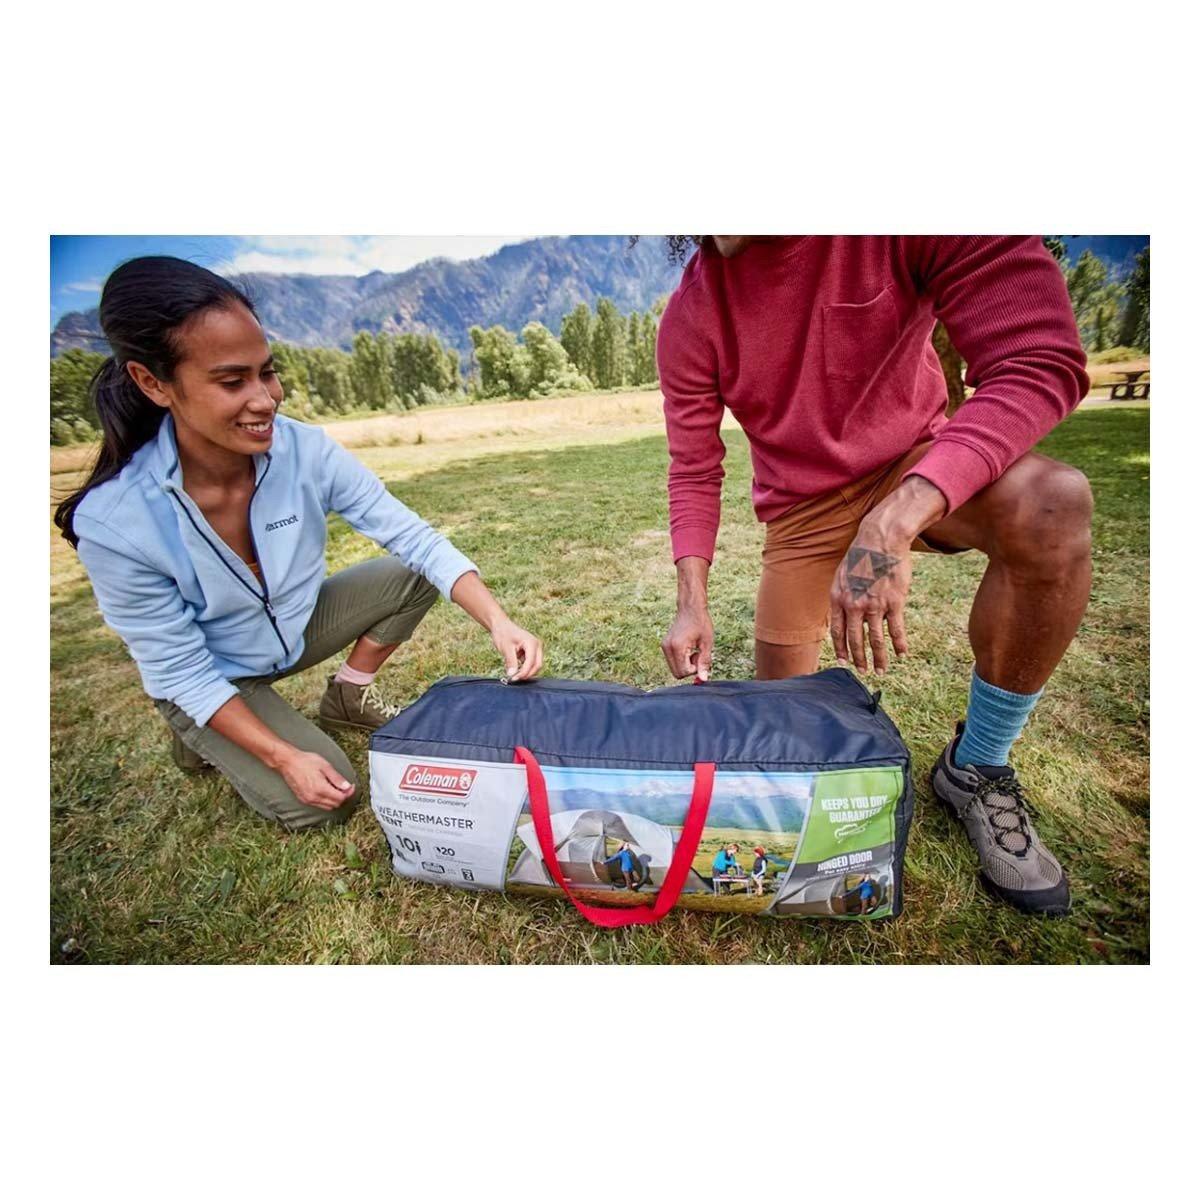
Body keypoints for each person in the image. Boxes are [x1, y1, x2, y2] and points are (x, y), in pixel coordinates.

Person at [658, 236, 1092, 917]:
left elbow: (1039, 359)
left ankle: (976, 764)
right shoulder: (692, 314)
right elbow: (692, 467)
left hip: (915, 464)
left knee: (1053, 504)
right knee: (782, 736)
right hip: (801, 511)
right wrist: (692, 602)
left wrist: (893, 523)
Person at [56, 257, 543, 833]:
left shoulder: (306, 451)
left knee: (414, 574)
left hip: (293, 629)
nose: (266, 399)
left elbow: (414, 538)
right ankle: (198, 729)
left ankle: (346, 696)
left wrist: (498, 622)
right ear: (153, 382)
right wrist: (284, 757)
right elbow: (180, 669)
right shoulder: (114, 521)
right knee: (327, 802)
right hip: (213, 674)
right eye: (232, 382)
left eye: (268, 372)